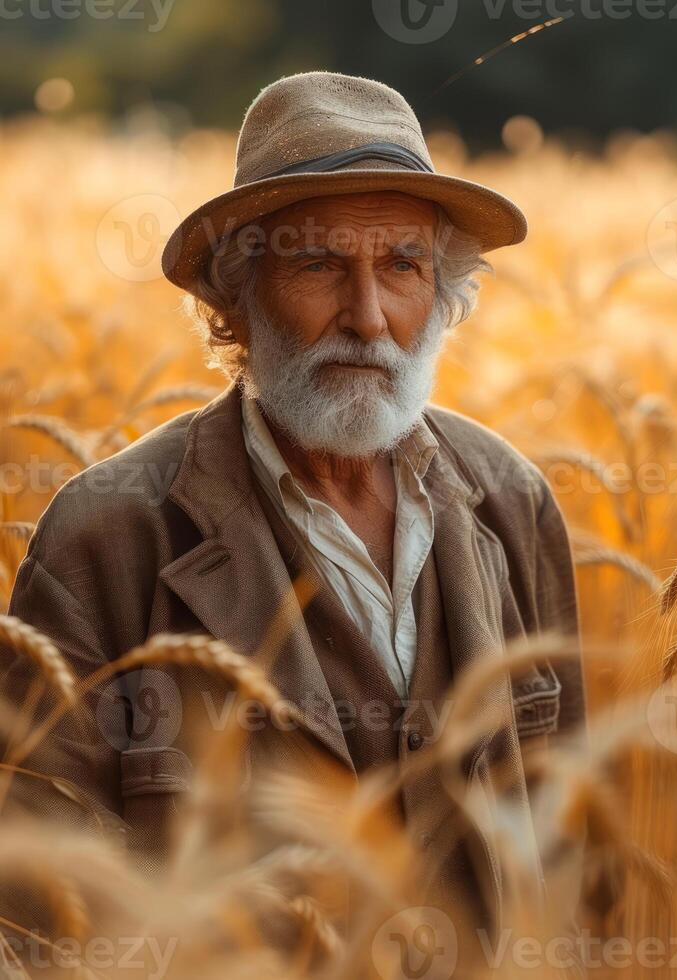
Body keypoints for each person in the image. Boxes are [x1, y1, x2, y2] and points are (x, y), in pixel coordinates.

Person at [1, 71, 588, 972]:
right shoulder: (107, 535)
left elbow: (578, 859)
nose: (367, 317)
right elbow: (41, 919)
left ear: (444, 293)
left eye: (403, 265)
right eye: (319, 265)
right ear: (235, 297)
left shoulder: (512, 502)